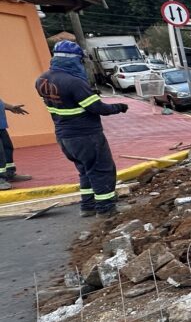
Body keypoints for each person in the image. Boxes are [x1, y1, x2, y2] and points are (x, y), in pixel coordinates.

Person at [35, 40, 129, 217]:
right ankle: (106, 209)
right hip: (85, 135)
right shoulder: (74, 82)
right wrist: (120, 107)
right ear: (74, 59)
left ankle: (87, 206)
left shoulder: (41, 80)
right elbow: (98, 108)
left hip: (64, 136)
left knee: (85, 170)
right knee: (102, 170)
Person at [0, 97, 32, 191]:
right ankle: (0, 179)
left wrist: (10, 107)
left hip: (1, 126)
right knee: (0, 153)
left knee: (8, 148)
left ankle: (9, 174)